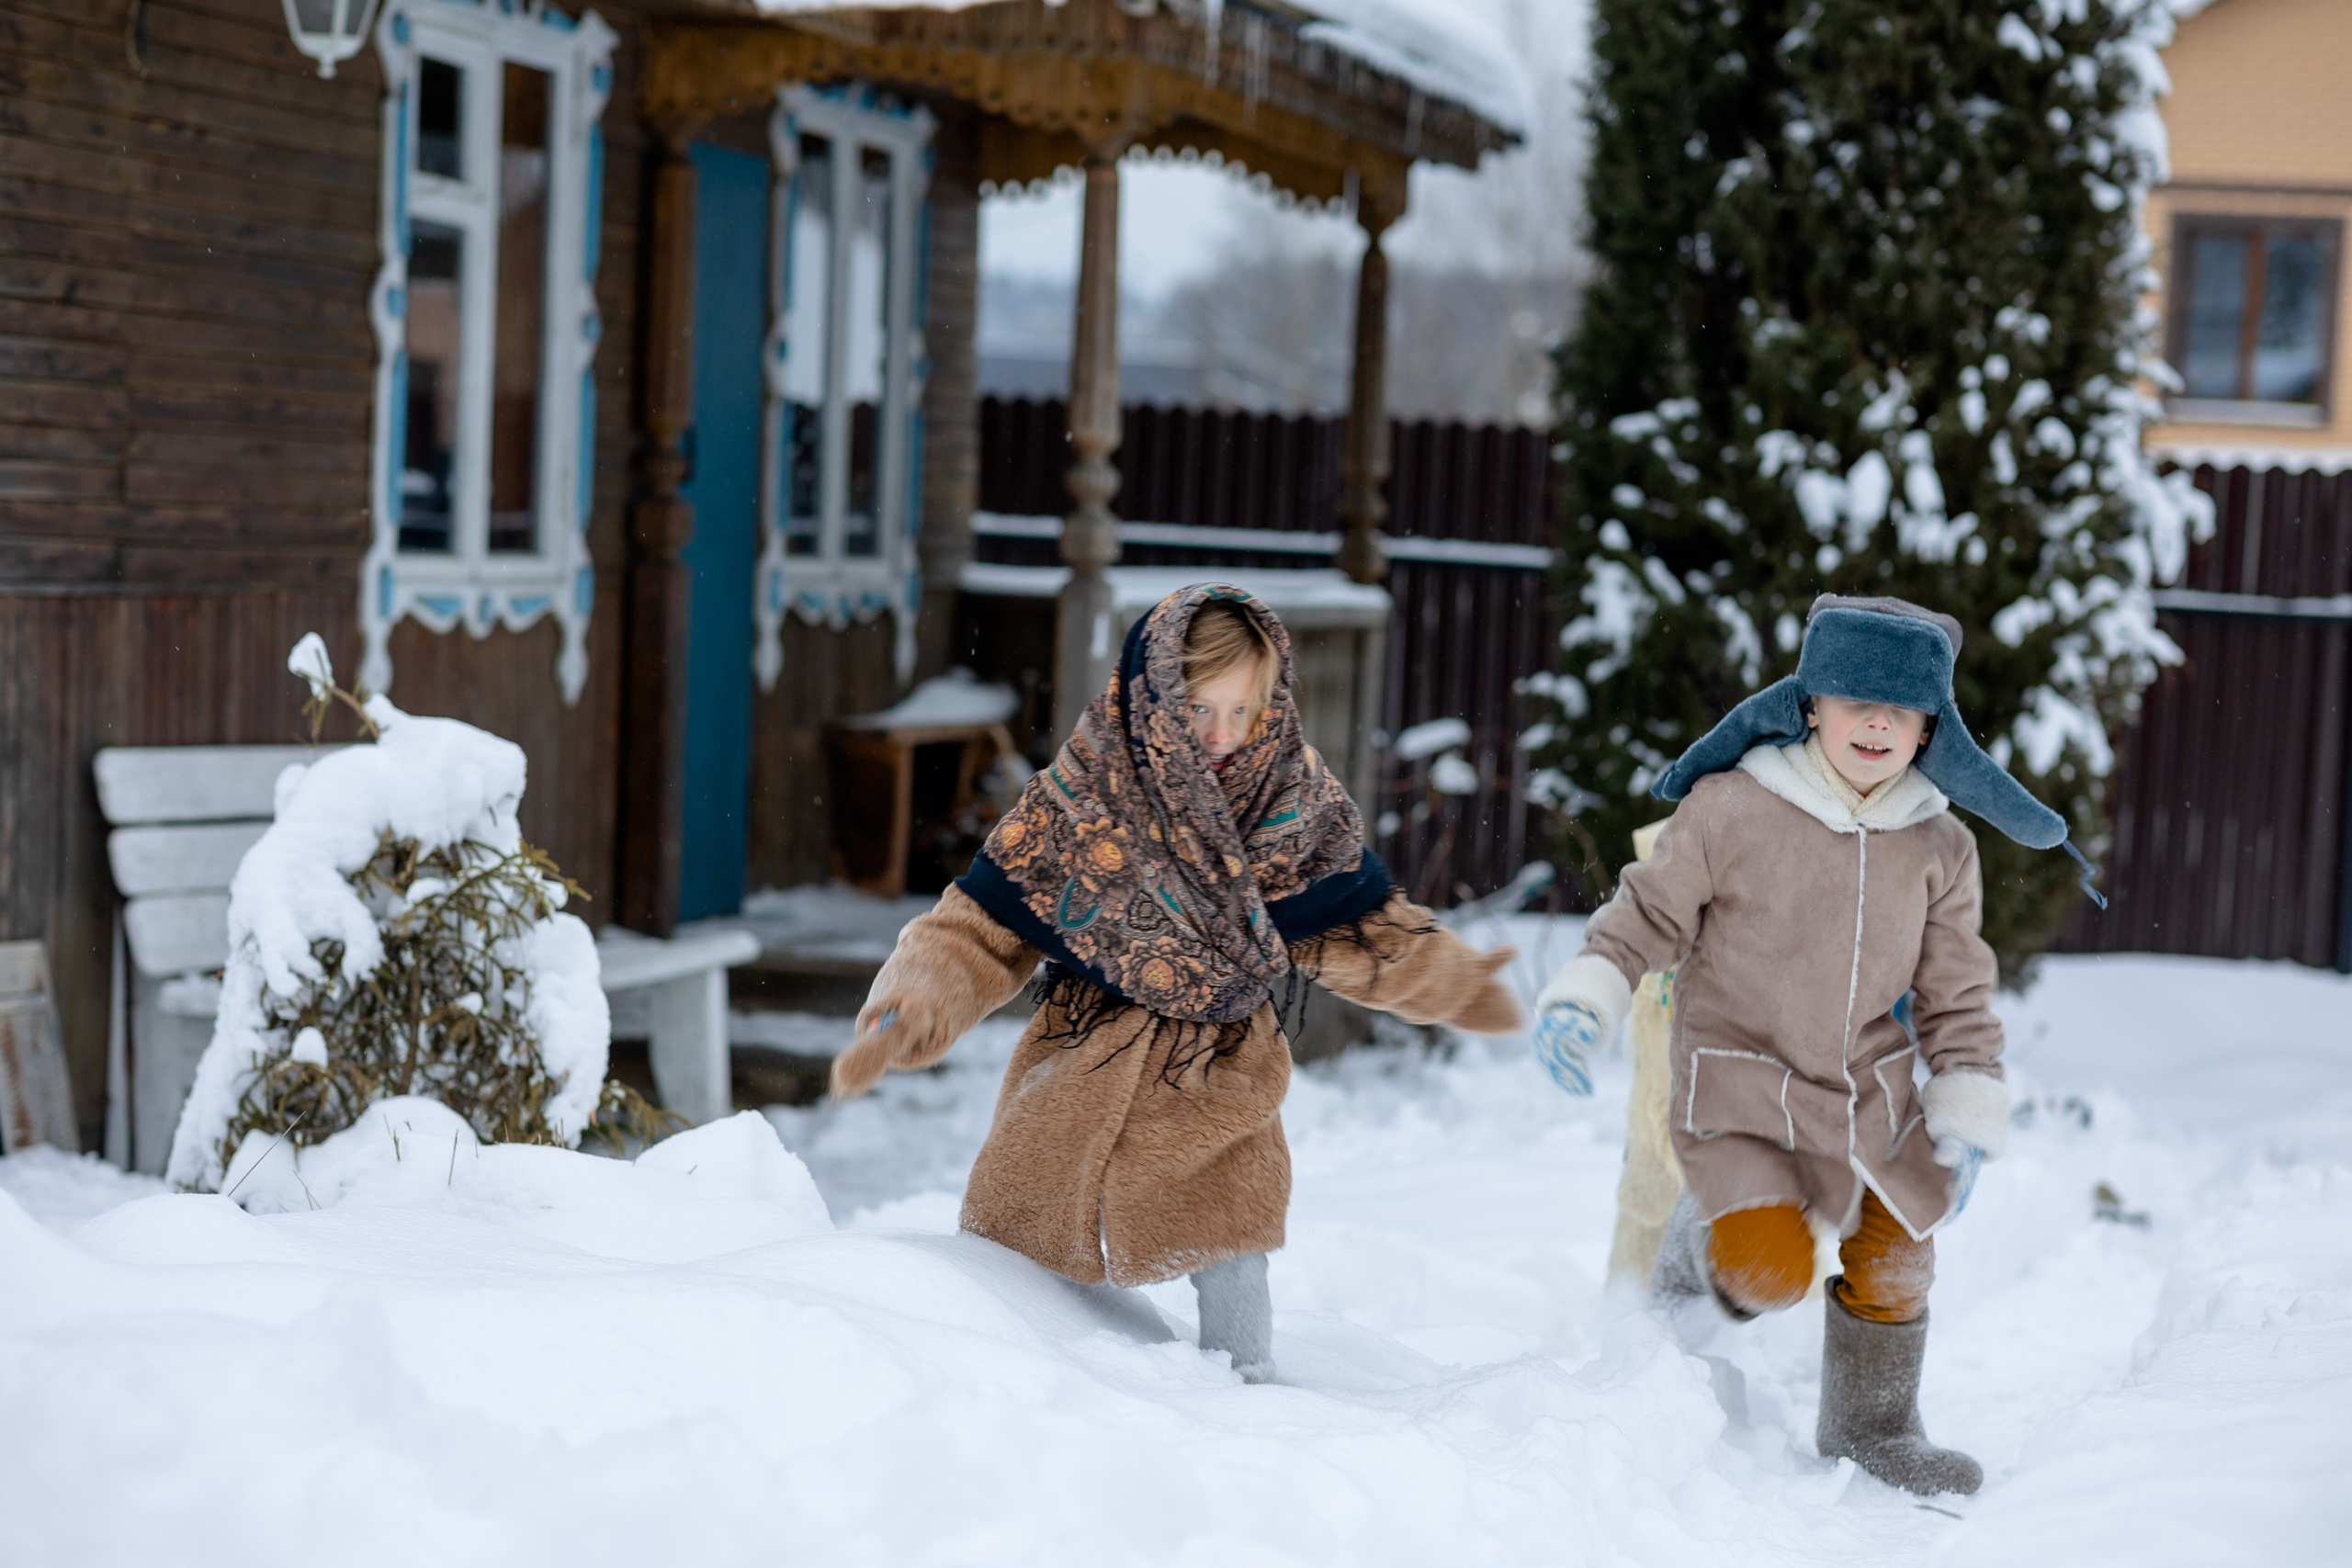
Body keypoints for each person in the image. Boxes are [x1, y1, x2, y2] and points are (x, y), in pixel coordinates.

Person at [831, 584, 1521, 1382]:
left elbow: (1363, 934)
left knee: (1232, 1236)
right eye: (1197, 710)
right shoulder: (1086, 794)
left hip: (1219, 1067)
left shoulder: (1288, 800)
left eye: (1244, 709)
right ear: (1153, 699)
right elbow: (979, 928)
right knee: (1022, 1224)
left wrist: (1457, 983)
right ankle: (1008, 1373)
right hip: (1082, 1052)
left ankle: (1248, 1387)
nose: (1224, 736)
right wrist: (914, 1005)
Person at [1529, 594, 2098, 1497]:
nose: (1874, 721)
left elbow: (1956, 990)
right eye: (1853, 699)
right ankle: (1691, 1260)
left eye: (1899, 708)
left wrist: (1965, 1098)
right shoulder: (1729, 809)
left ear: (1926, 729)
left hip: (1868, 1092)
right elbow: (1644, 916)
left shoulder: (1941, 845)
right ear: (1809, 706)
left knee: (1903, 1245)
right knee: (1767, 1273)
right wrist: (1588, 996)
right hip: (1741, 1082)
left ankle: (1873, 1431)